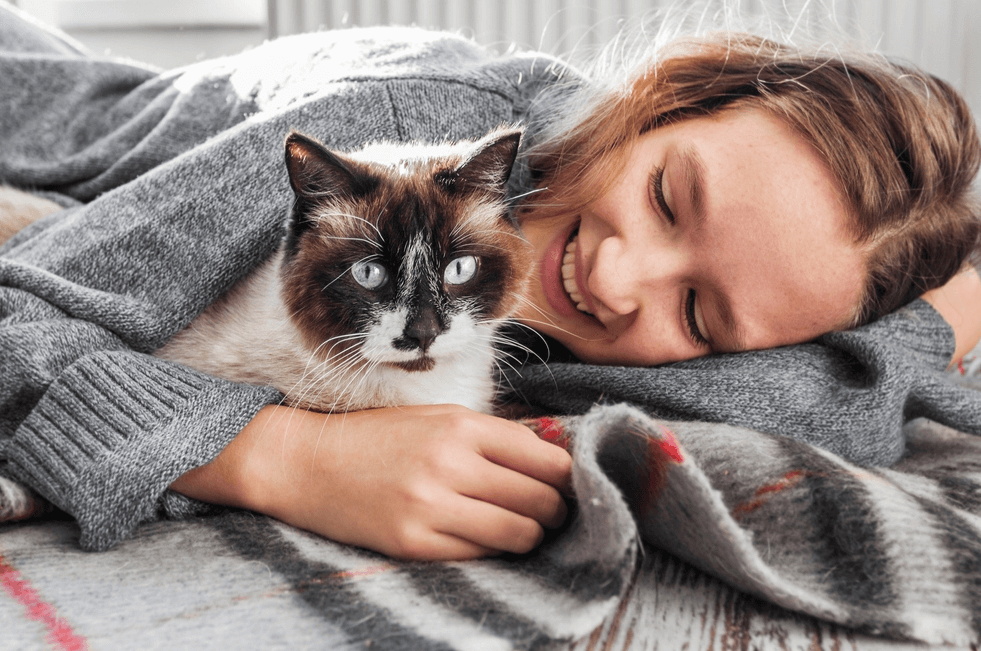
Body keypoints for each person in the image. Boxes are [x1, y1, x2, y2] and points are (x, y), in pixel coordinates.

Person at [2, 4, 980, 561]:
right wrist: (281, 459)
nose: (617, 276)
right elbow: (21, 324)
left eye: (700, 313)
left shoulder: (659, 300)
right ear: (659, 102)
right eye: (669, 197)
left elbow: (823, 416)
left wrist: (947, 307)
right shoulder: (397, 134)